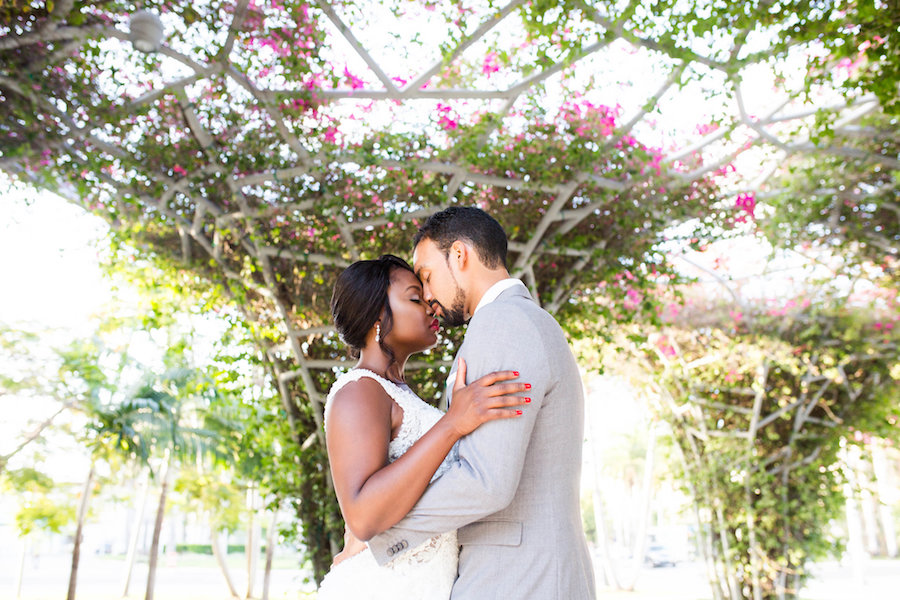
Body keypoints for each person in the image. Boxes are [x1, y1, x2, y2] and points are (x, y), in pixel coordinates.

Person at [367, 207, 596, 599]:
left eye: (426, 275)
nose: (426, 295)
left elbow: (486, 481)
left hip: (516, 578)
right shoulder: (527, 321)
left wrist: (382, 536)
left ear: (460, 255)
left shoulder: (502, 325)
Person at [317, 254, 531, 599]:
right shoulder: (359, 391)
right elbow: (363, 517)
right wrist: (452, 424)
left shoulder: (399, 394)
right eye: (415, 298)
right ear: (376, 315)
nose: (431, 307)